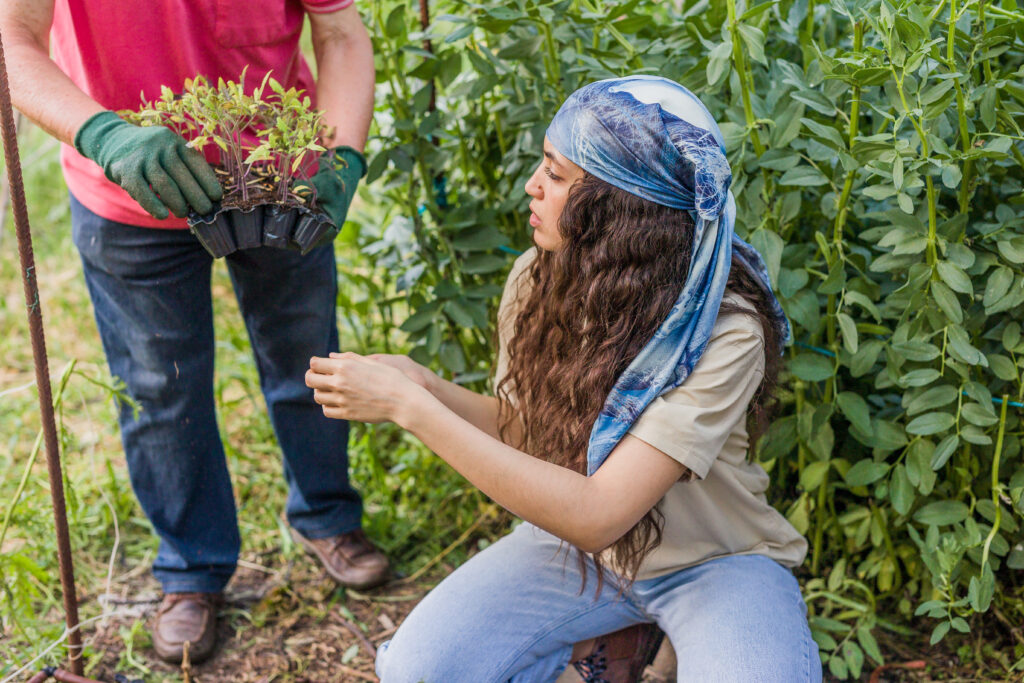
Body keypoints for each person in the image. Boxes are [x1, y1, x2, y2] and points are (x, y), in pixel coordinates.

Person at [306, 76, 823, 682]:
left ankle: (650, 647)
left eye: (554, 175)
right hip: (581, 557)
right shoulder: (537, 277)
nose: (531, 185)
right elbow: (526, 433)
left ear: (620, 207)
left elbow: (600, 512)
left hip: (713, 562)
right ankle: (619, 645)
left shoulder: (725, 330)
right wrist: (423, 384)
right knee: (418, 672)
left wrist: (412, 411)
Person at [0, 0, 388, 664]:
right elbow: (14, 41)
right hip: (128, 193)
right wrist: (104, 135)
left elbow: (341, 32)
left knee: (305, 354)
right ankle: (190, 568)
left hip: (278, 178)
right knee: (161, 387)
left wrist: (342, 156)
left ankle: (328, 516)